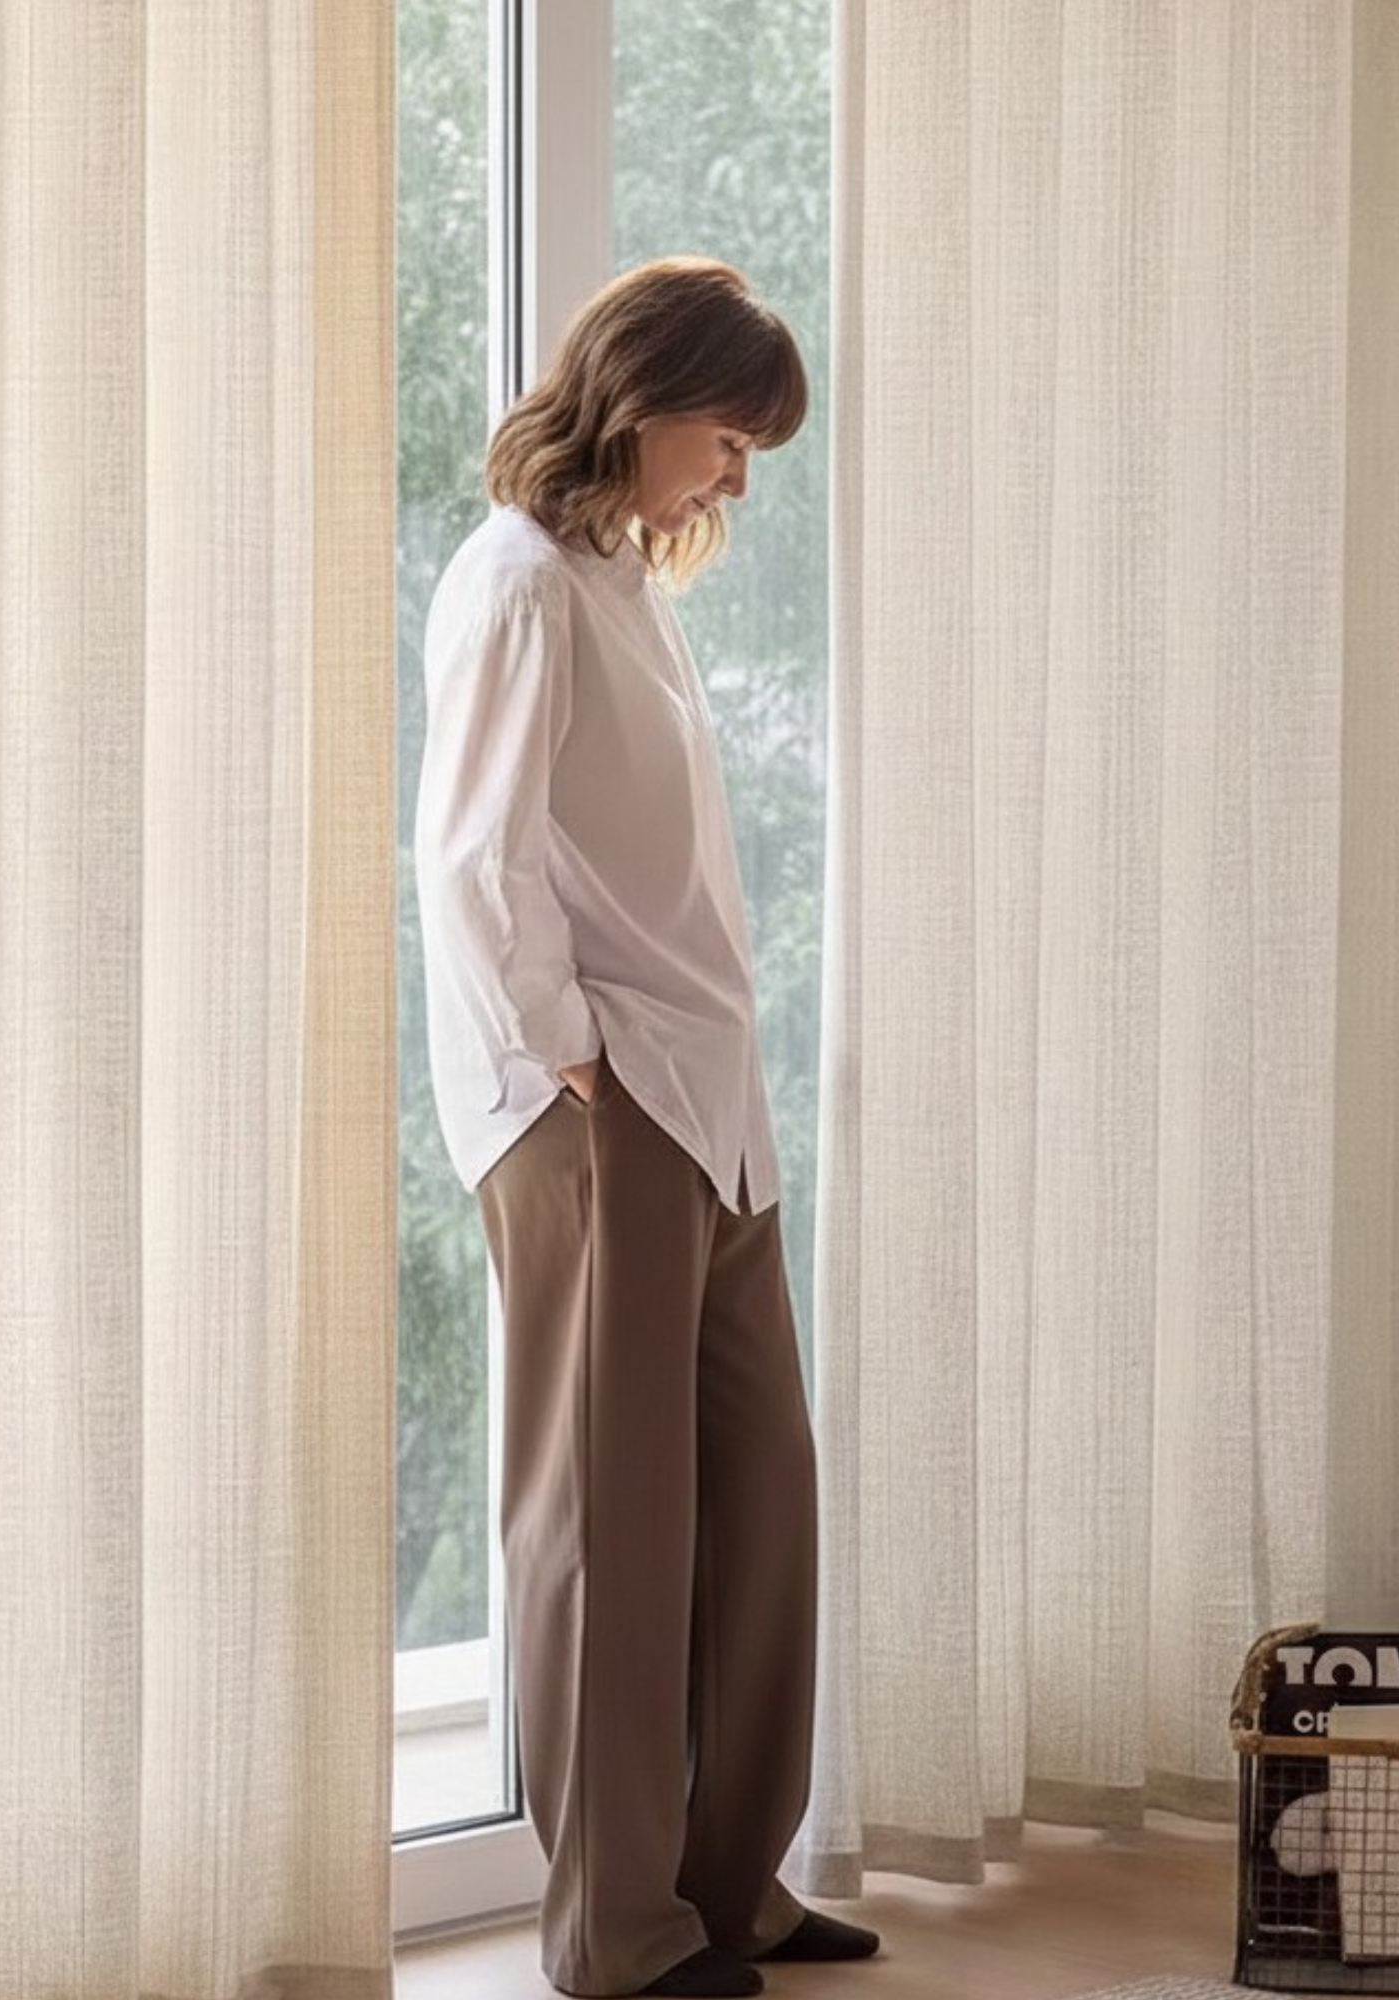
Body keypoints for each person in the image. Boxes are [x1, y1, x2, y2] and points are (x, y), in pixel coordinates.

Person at [413, 257, 880, 1999]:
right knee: (608, 1528)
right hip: (596, 1105)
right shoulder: (519, 583)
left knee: (759, 1498)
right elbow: (473, 855)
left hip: (704, 1099)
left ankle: (729, 1886)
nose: (736, 476)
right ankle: (617, 1933)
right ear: (641, 391)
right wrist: (562, 1056)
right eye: (728, 435)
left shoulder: (619, 582)